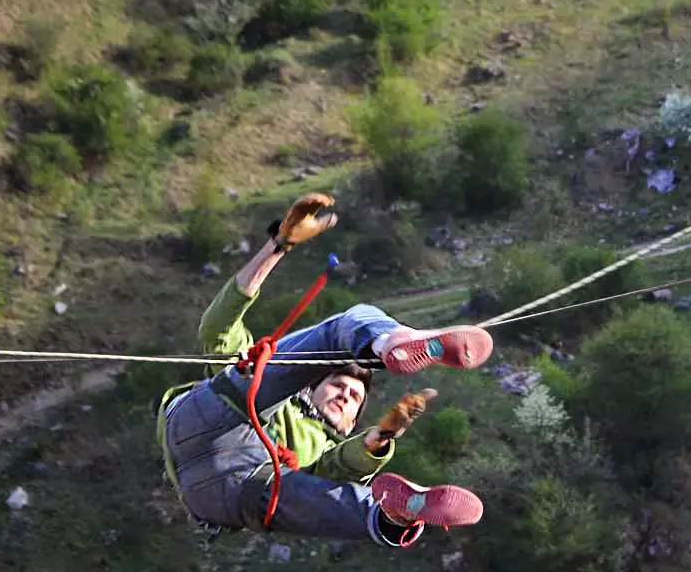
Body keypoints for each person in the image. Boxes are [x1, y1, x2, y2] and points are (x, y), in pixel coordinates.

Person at [157, 193, 494, 548]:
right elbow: (217, 326)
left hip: (229, 494)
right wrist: (277, 246)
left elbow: (339, 469)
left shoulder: (322, 451)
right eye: (338, 385)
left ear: (351, 425)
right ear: (310, 389)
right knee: (343, 329)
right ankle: (389, 343)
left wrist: (379, 439)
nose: (346, 394)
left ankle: (396, 514)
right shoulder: (280, 395)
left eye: (356, 398)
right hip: (213, 419)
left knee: (324, 499)